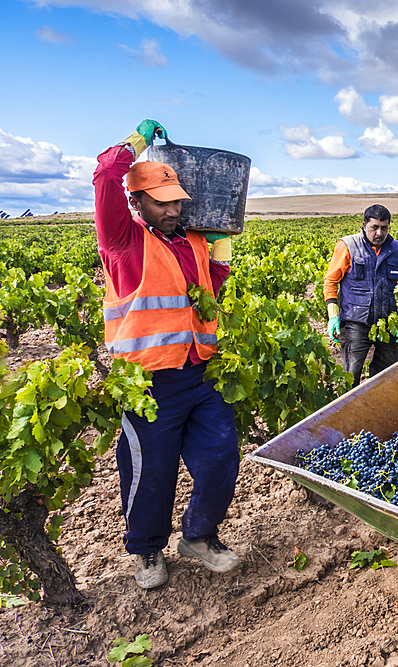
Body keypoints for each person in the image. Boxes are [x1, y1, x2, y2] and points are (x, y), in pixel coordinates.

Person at [94, 119, 240, 589]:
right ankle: (147, 551)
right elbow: (104, 176)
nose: (176, 208)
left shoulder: (191, 240)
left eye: (179, 200)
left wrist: (220, 256)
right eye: (164, 202)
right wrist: (135, 141)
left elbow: (207, 294)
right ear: (137, 203)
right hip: (149, 384)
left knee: (221, 455)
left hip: (199, 371)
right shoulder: (123, 242)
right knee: (149, 473)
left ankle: (198, 536)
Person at [323, 204, 398, 388]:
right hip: (355, 323)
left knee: (388, 376)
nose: (379, 233)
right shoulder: (348, 246)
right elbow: (330, 281)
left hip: (387, 324)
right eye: (374, 227)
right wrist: (333, 317)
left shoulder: (395, 248)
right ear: (364, 225)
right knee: (350, 377)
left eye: (384, 228)